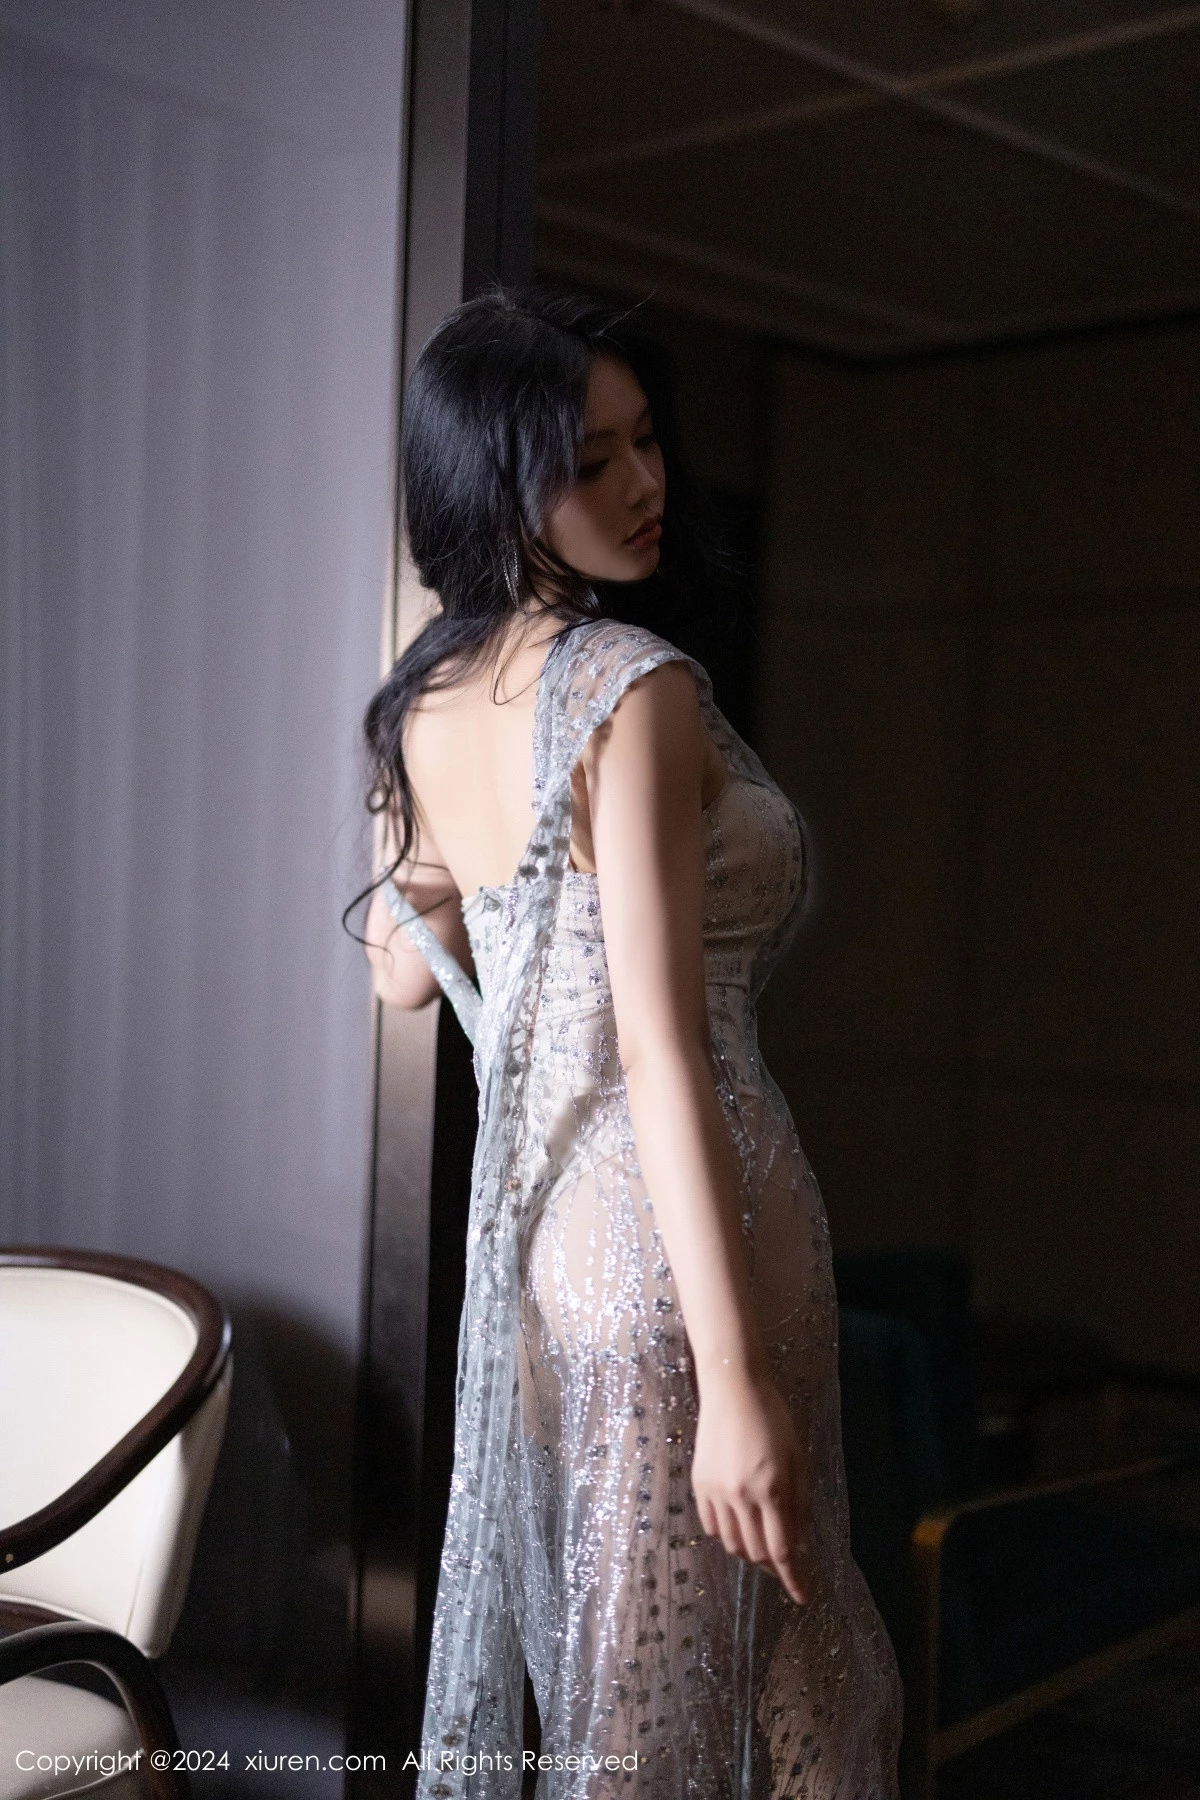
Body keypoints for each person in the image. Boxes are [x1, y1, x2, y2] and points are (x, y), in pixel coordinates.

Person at [351, 286, 903, 1800]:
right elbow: (660, 1048)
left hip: (555, 1253)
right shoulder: (626, 687)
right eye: (590, 462)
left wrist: (444, 837)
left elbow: (399, 979)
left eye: (646, 440)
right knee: (765, 1690)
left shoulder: (427, 698)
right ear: (494, 485)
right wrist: (734, 1379)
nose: (645, 483)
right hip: (688, 1246)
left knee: (643, 1683)